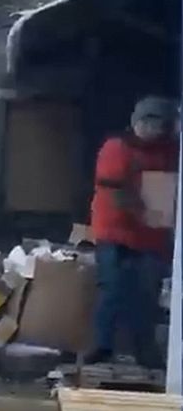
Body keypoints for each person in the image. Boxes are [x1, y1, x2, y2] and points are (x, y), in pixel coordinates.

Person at [86, 96, 179, 369]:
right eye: (148, 123)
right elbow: (113, 187)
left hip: (152, 237)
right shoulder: (117, 148)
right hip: (115, 231)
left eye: (160, 124)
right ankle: (103, 345)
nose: (154, 130)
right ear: (136, 123)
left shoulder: (171, 152)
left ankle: (145, 352)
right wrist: (142, 210)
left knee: (147, 295)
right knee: (112, 288)